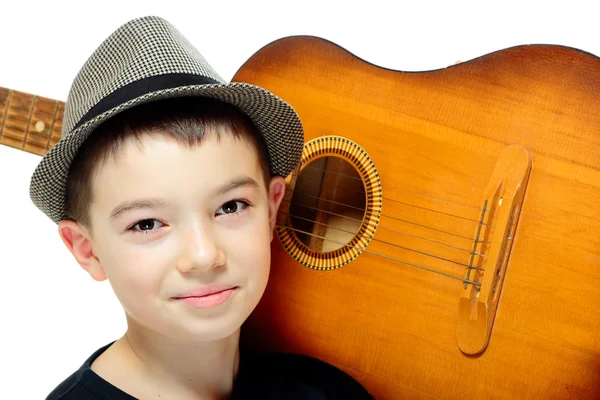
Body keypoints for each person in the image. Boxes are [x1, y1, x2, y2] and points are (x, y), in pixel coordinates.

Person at [29, 16, 373, 400]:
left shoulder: (325, 389)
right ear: (86, 248)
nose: (204, 255)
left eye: (231, 207)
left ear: (272, 211)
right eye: (146, 224)